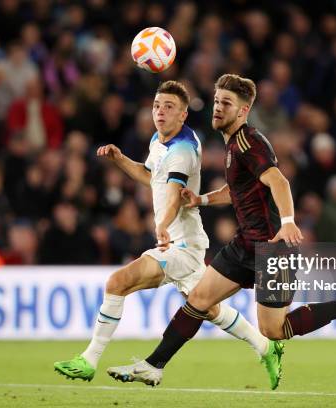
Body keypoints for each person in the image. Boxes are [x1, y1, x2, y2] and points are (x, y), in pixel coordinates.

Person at [107, 74, 336, 387]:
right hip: (245, 245)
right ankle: (154, 365)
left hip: (273, 248)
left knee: (274, 330)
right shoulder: (231, 144)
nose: (217, 108)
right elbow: (236, 189)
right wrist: (202, 199)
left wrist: (290, 220)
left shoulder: (248, 142)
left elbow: (279, 181)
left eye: (227, 103)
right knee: (198, 298)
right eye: (216, 101)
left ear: (243, 111)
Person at [53, 81, 279, 387]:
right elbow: (151, 177)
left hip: (180, 243)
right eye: (157, 105)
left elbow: (174, 194)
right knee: (208, 308)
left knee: (117, 282)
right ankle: (265, 347)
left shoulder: (183, 150)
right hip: (183, 239)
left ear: (183, 115)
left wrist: (162, 225)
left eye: (168, 107)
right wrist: (119, 158)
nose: (160, 112)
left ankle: (89, 360)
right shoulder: (159, 142)